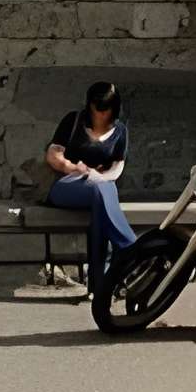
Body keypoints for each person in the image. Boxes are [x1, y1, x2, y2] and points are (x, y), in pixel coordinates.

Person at [44, 81, 138, 291]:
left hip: (101, 185)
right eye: (97, 108)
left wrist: (102, 177)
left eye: (106, 110)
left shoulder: (120, 131)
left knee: (101, 205)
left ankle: (99, 286)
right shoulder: (74, 120)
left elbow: (117, 166)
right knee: (101, 191)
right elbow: (53, 154)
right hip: (69, 184)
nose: (101, 115)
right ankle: (130, 245)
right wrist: (74, 168)